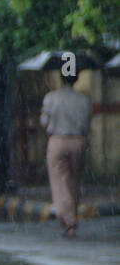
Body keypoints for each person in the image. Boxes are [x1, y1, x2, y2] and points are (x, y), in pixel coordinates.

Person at [40, 69, 91, 237]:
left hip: (58, 140)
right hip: (78, 140)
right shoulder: (84, 99)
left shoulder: (51, 97)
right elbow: (87, 122)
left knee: (60, 182)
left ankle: (69, 221)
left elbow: (44, 122)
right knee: (74, 181)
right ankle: (71, 216)